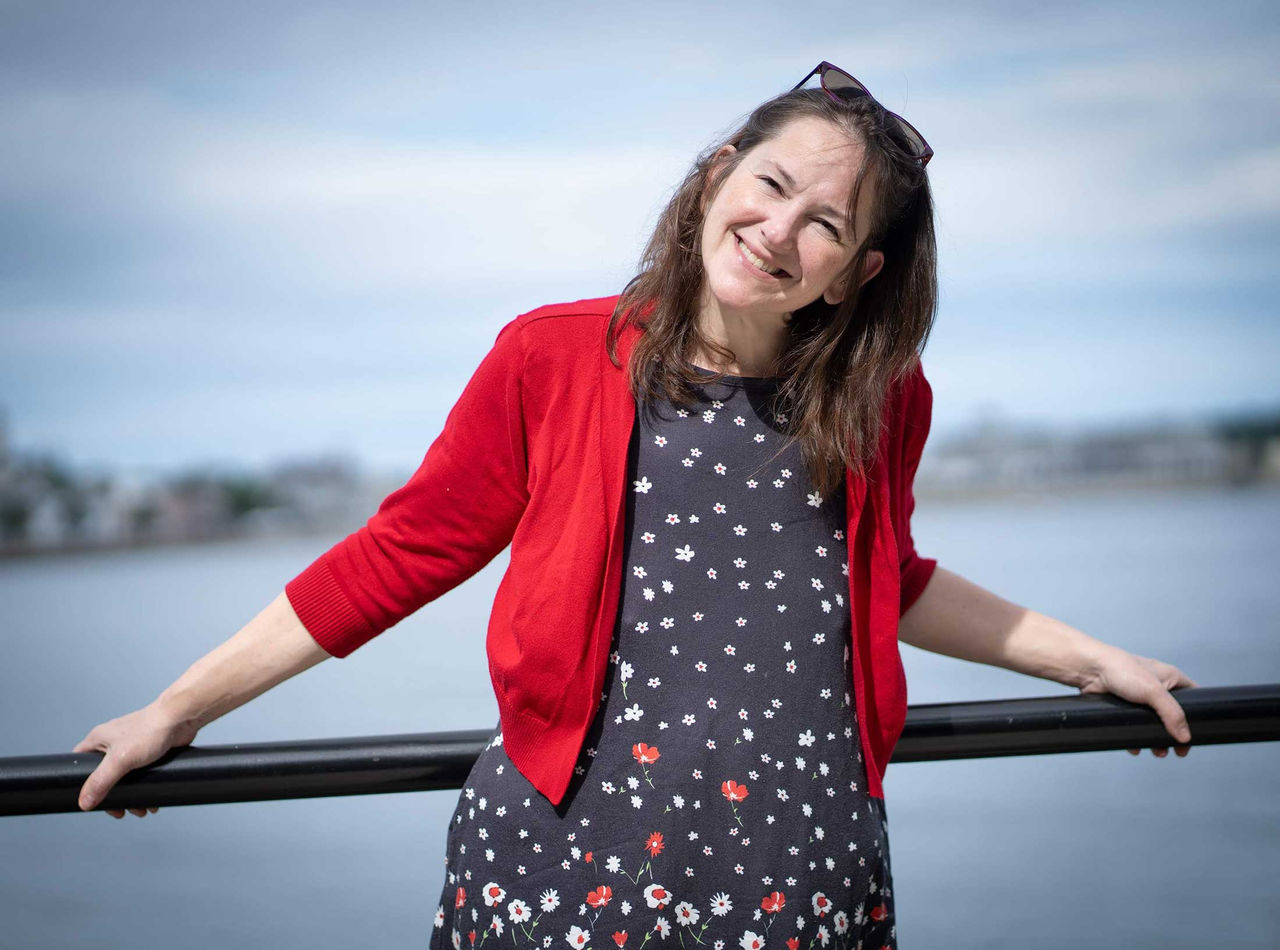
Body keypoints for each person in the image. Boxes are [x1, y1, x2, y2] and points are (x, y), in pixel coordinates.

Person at [73, 62, 1196, 948]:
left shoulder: (881, 400)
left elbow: (883, 579)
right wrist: (179, 708)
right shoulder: (551, 357)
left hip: (800, 874)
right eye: (769, 184)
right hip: (566, 868)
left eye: (827, 222)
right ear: (717, 173)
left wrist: (1093, 661)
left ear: (856, 272)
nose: (778, 229)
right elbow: (398, 555)